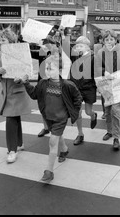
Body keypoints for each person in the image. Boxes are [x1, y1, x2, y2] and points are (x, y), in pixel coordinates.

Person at [23, 54, 82, 183]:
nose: (48, 71)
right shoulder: (43, 83)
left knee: (52, 141)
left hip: (61, 118)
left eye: (51, 68)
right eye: (46, 68)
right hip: (48, 117)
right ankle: (65, 150)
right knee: (58, 136)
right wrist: (26, 83)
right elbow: (34, 95)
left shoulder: (68, 85)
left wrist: (74, 112)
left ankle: (49, 171)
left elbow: (78, 98)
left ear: (60, 71)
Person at [0, 28, 32, 164]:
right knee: (15, 118)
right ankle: (19, 143)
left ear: (11, 41)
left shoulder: (19, 55)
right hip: (7, 93)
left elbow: (27, 72)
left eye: (4, 39)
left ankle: (12, 150)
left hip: (18, 92)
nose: (1, 42)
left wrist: (21, 79)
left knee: (11, 119)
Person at [94, 30, 120, 150]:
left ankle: (116, 137)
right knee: (107, 111)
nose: (109, 41)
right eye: (107, 39)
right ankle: (109, 131)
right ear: (103, 41)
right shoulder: (100, 53)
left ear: (115, 40)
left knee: (115, 111)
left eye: (111, 39)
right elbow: (96, 67)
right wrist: (103, 72)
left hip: (118, 85)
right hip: (105, 85)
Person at [69, 36, 98, 146]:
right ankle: (80, 134)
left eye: (80, 45)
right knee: (78, 112)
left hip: (89, 87)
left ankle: (93, 115)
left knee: (88, 111)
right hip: (77, 88)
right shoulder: (75, 57)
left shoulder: (93, 57)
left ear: (87, 47)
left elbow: (98, 71)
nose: (78, 48)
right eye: (77, 46)